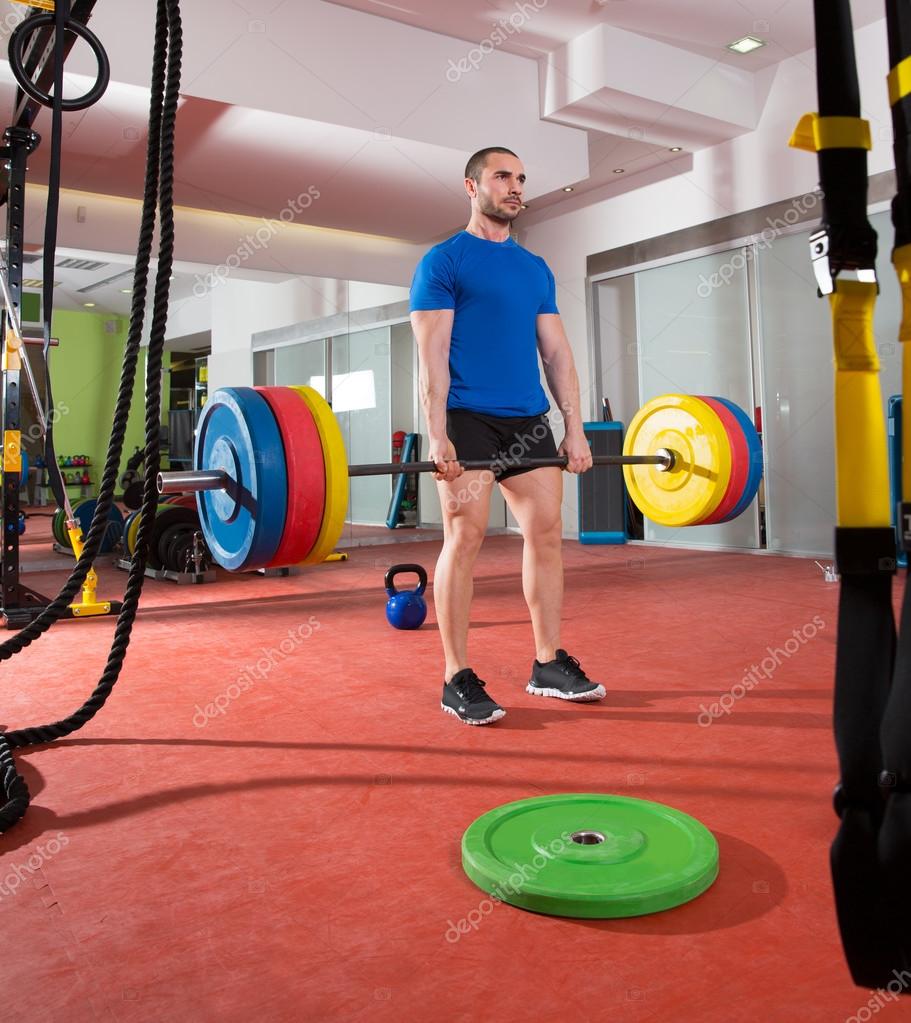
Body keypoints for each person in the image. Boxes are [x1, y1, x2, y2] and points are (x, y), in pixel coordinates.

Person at [409, 146, 606, 725]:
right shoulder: (443, 262)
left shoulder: (534, 268)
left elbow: (557, 354)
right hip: (469, 416)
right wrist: (438, 434)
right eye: (503, 176)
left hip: (527, 420)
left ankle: (546, 663)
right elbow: (433, 358)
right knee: (465, 536)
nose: (516, 186)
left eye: (522, 177)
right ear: (472, 187)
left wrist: (574, 428)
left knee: (545, 535)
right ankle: (455, 676)